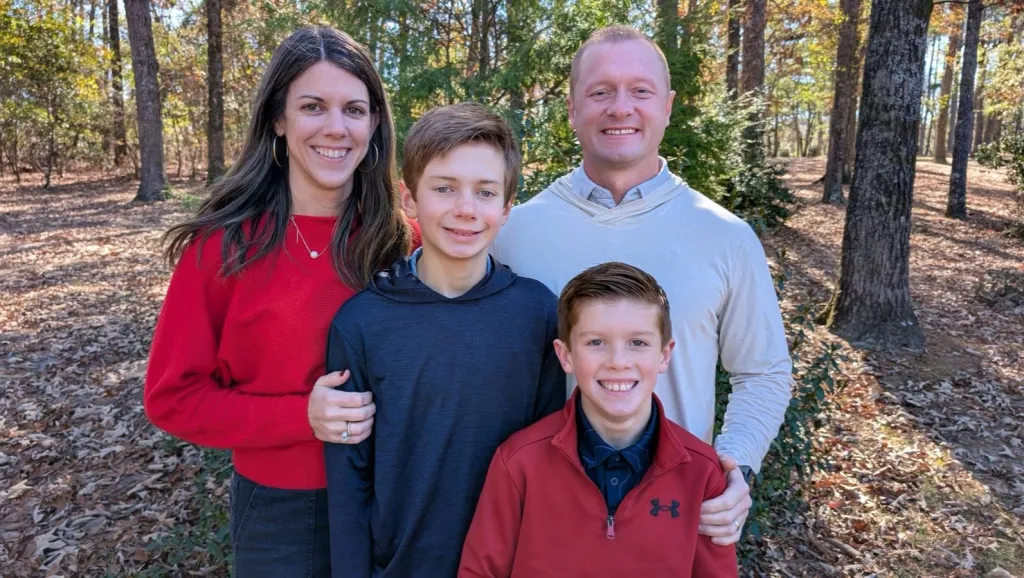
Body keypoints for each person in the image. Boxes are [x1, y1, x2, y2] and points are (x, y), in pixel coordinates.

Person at [490, 25, 793, 545]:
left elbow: (763, 371)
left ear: (667, 106)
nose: (620, 107)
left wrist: (734, 465)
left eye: (640, 90)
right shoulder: (512, 233)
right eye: (600, 91)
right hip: (543, 522)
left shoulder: (724, 236)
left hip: (674, 519)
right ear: (572, 108)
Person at [144, 27, 418, 577]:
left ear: (374, 124)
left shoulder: (404, 242)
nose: (336, 128)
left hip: (399, 492)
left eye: (354, 110)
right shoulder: (223, 248)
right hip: (284, 511)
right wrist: (301, 417)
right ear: (278, 119)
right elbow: (172, 398)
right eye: (313, 107)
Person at [323, 103, 564, 578]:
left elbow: (549, 456)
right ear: (409, 199)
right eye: (444, 188)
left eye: (485, 192)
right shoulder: (363, 322)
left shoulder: (538, 314)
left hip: (508, 563)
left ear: (507, 208)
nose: (466, 209)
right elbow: (349, 478)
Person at [459, 262, 738, 577]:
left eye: (637, 343)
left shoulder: (701, 472)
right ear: (566, 356)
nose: (618, 362)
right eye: (596, 342)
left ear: (664, 355)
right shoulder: (518, 462)